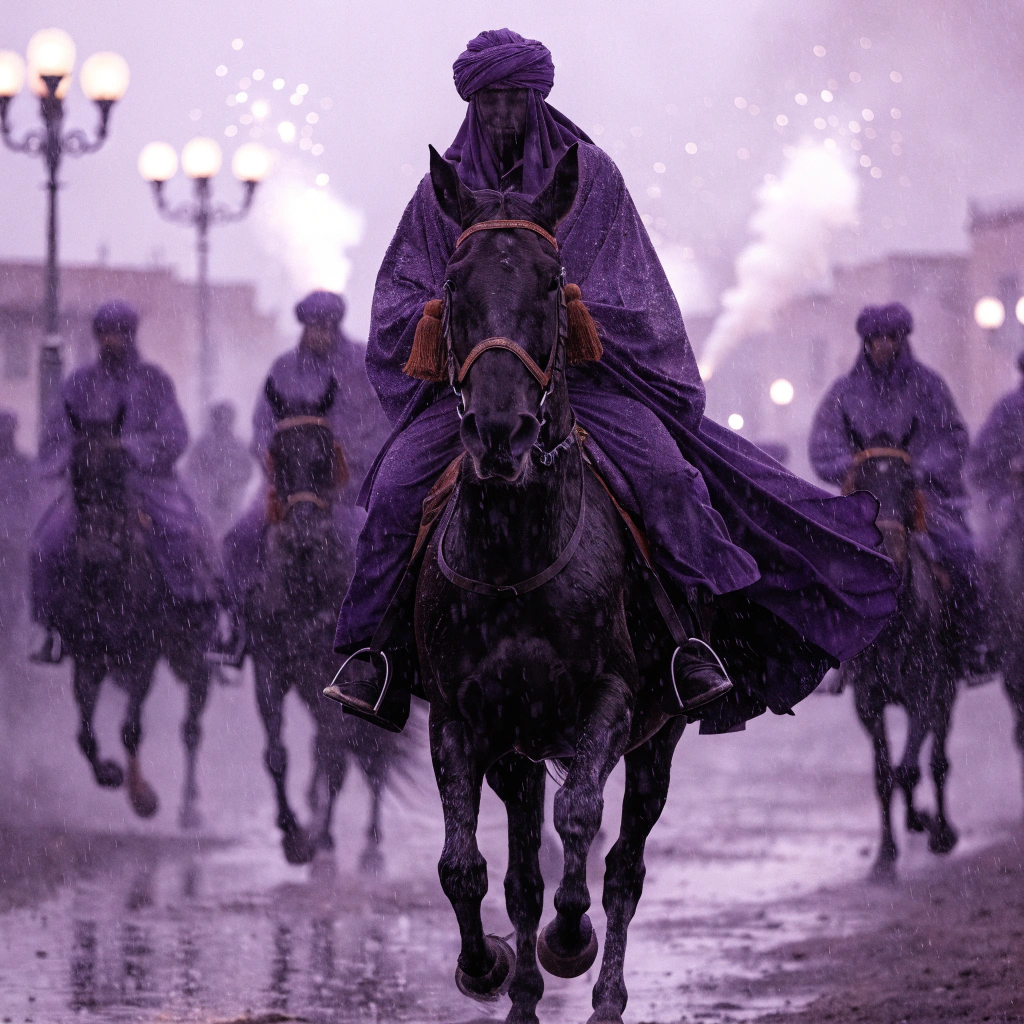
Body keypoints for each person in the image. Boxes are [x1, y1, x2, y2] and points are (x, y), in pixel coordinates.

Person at [325, 28, 897, 732]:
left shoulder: (590, 179)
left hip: (587, 386)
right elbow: (401, 295)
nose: (502, 115)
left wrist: (561, 314)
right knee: (392, 493)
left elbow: (634, 291)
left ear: (536, 101)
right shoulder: (438, 195)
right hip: (479, 393)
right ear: (472, 105)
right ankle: (369, 653)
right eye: (490, 101)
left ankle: (692, 642)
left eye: (515, 99)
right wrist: (453, 321)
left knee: (666, 477)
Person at [809, 302, 991, 677]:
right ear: (865, 341)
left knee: (963, 555)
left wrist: (919, 469)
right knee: (823, 561)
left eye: (890, 337)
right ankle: (832, 655)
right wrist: (853, 467)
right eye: (875, 338)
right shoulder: (844, 392)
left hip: (918, 497)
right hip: (863, 501)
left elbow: (954, 438)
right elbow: (823, 442)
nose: (882, 345)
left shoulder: (929, 387)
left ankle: (970, 648)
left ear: (902, 339)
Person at [31, 301, 218, 662]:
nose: (112, 340)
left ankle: (192, 617)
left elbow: (176, 435)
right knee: (46, 545)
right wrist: (85, 452)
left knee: (185, 536)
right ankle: (50, 629)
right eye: (105, 333)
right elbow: (51, 441)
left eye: (119, 333)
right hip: (89, 491)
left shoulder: (154, 381)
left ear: (131, 335)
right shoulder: (78, 383)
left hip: (149, 485)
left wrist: (127, 448)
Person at [220, 290, 389, 621]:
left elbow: (380, 427)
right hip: (285, 488)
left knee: (367, 542)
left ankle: (372, 629)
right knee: (241, 538)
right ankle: (240, 625)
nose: (320, 333)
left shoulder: (364, 367)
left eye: (326, 326)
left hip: (347, 489)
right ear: (303, 327)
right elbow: (262, 427)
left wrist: (337, 463)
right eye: (313, 326)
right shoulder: (283, 368)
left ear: (336, 325)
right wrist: (280, 463)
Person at [183, 401, 254, 538]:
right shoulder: (202, 446)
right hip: (206, 504)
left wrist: (231, 481)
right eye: (220, 418)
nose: (223, 423)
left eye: (226, 418)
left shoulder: (238, 446)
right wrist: (207, 483)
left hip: (232, 504)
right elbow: (190, 471)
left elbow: (247, 471)